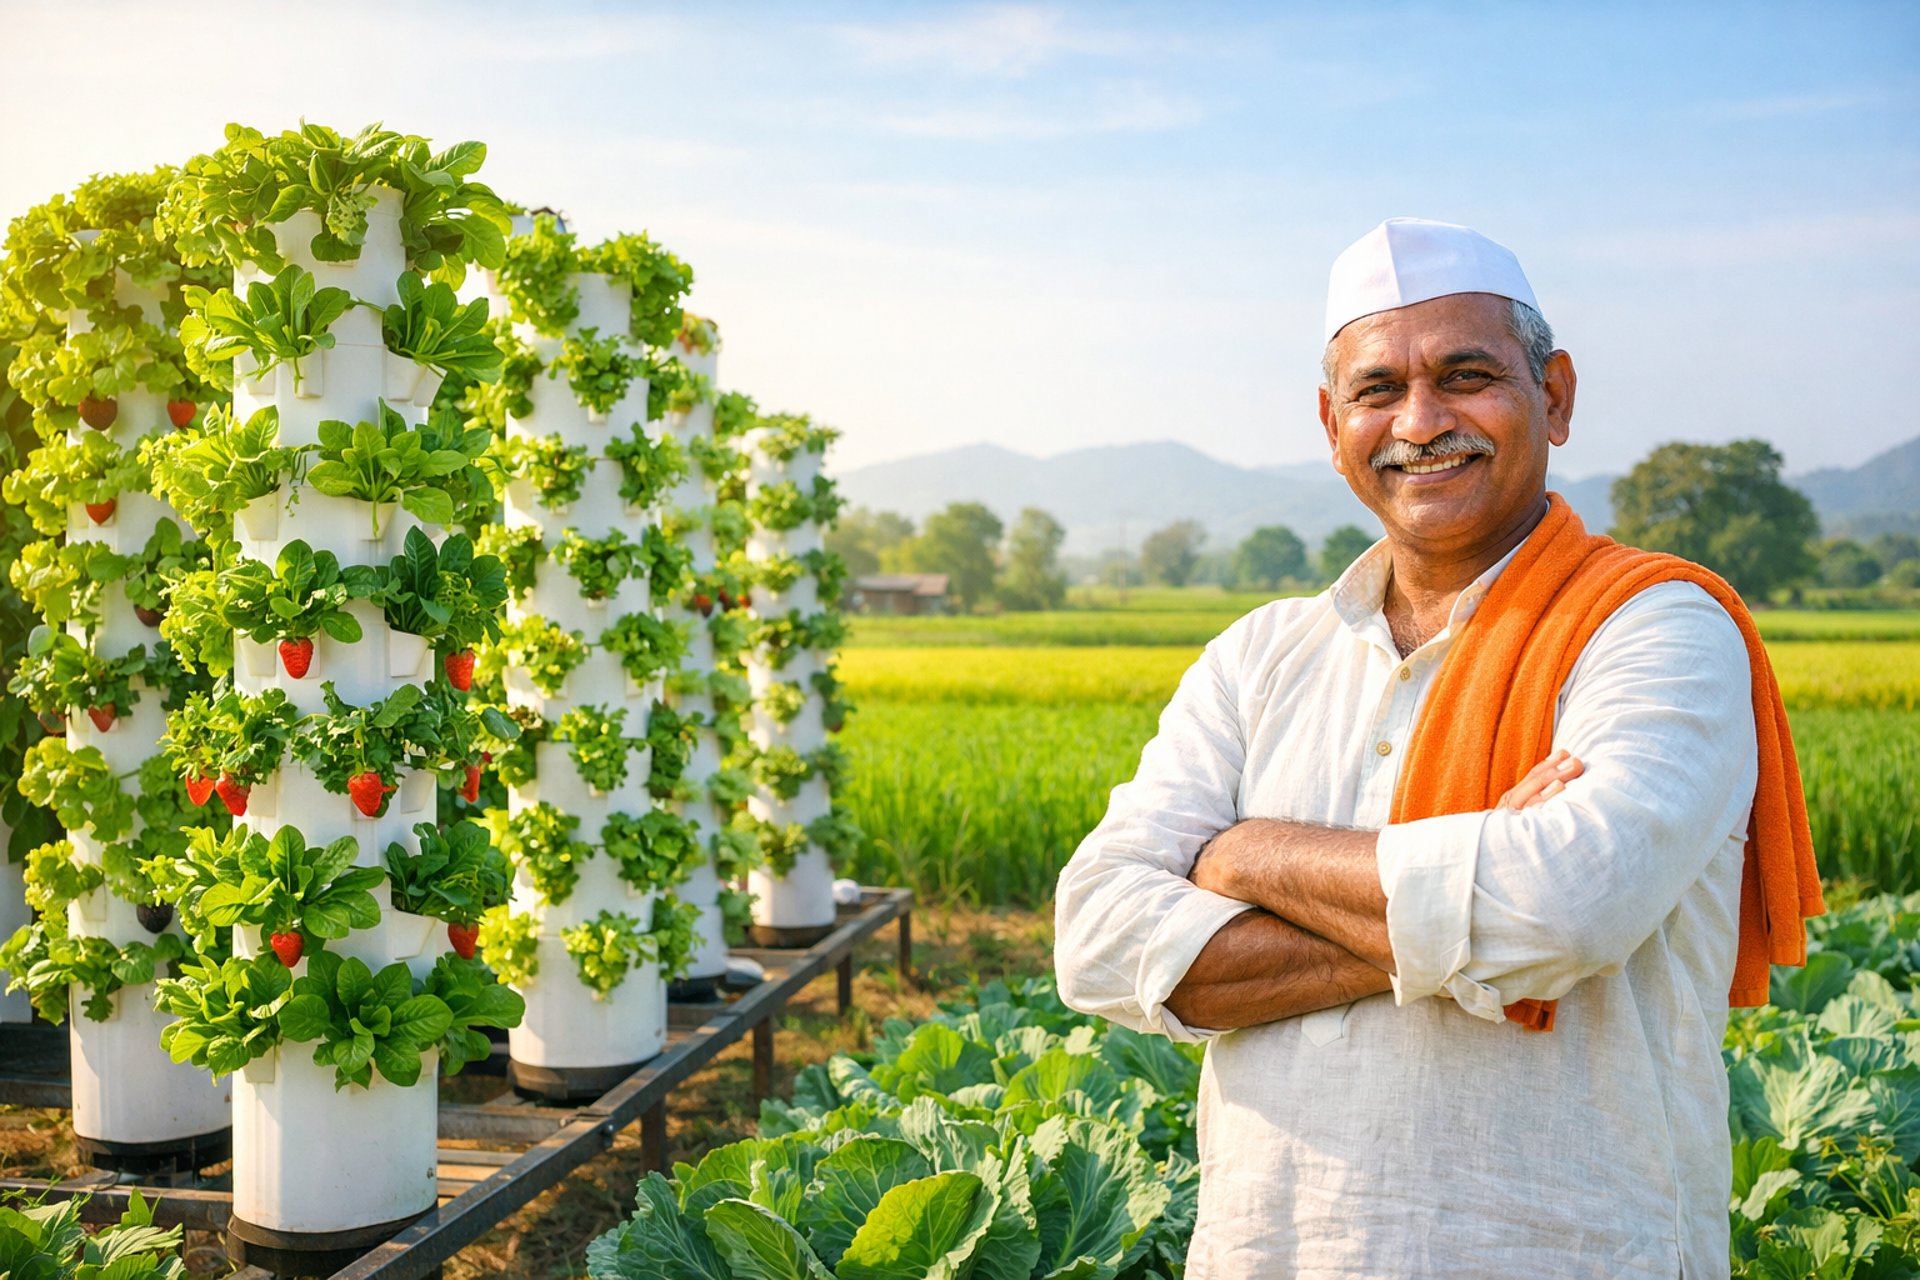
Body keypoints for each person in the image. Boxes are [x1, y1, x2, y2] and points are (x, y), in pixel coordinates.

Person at [1052, 218, 1820, 1278]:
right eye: (1378, 390)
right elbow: (1094, 936)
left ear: (1552, 395)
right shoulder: (1261, 655)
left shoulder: (1654, 627)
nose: (1420, 420)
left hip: (1567, 1250)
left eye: (1466, 375)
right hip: (1273, 1251)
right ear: (1333, 423)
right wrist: (1470, 894)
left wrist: (1244, 857)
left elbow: (1559, 908)